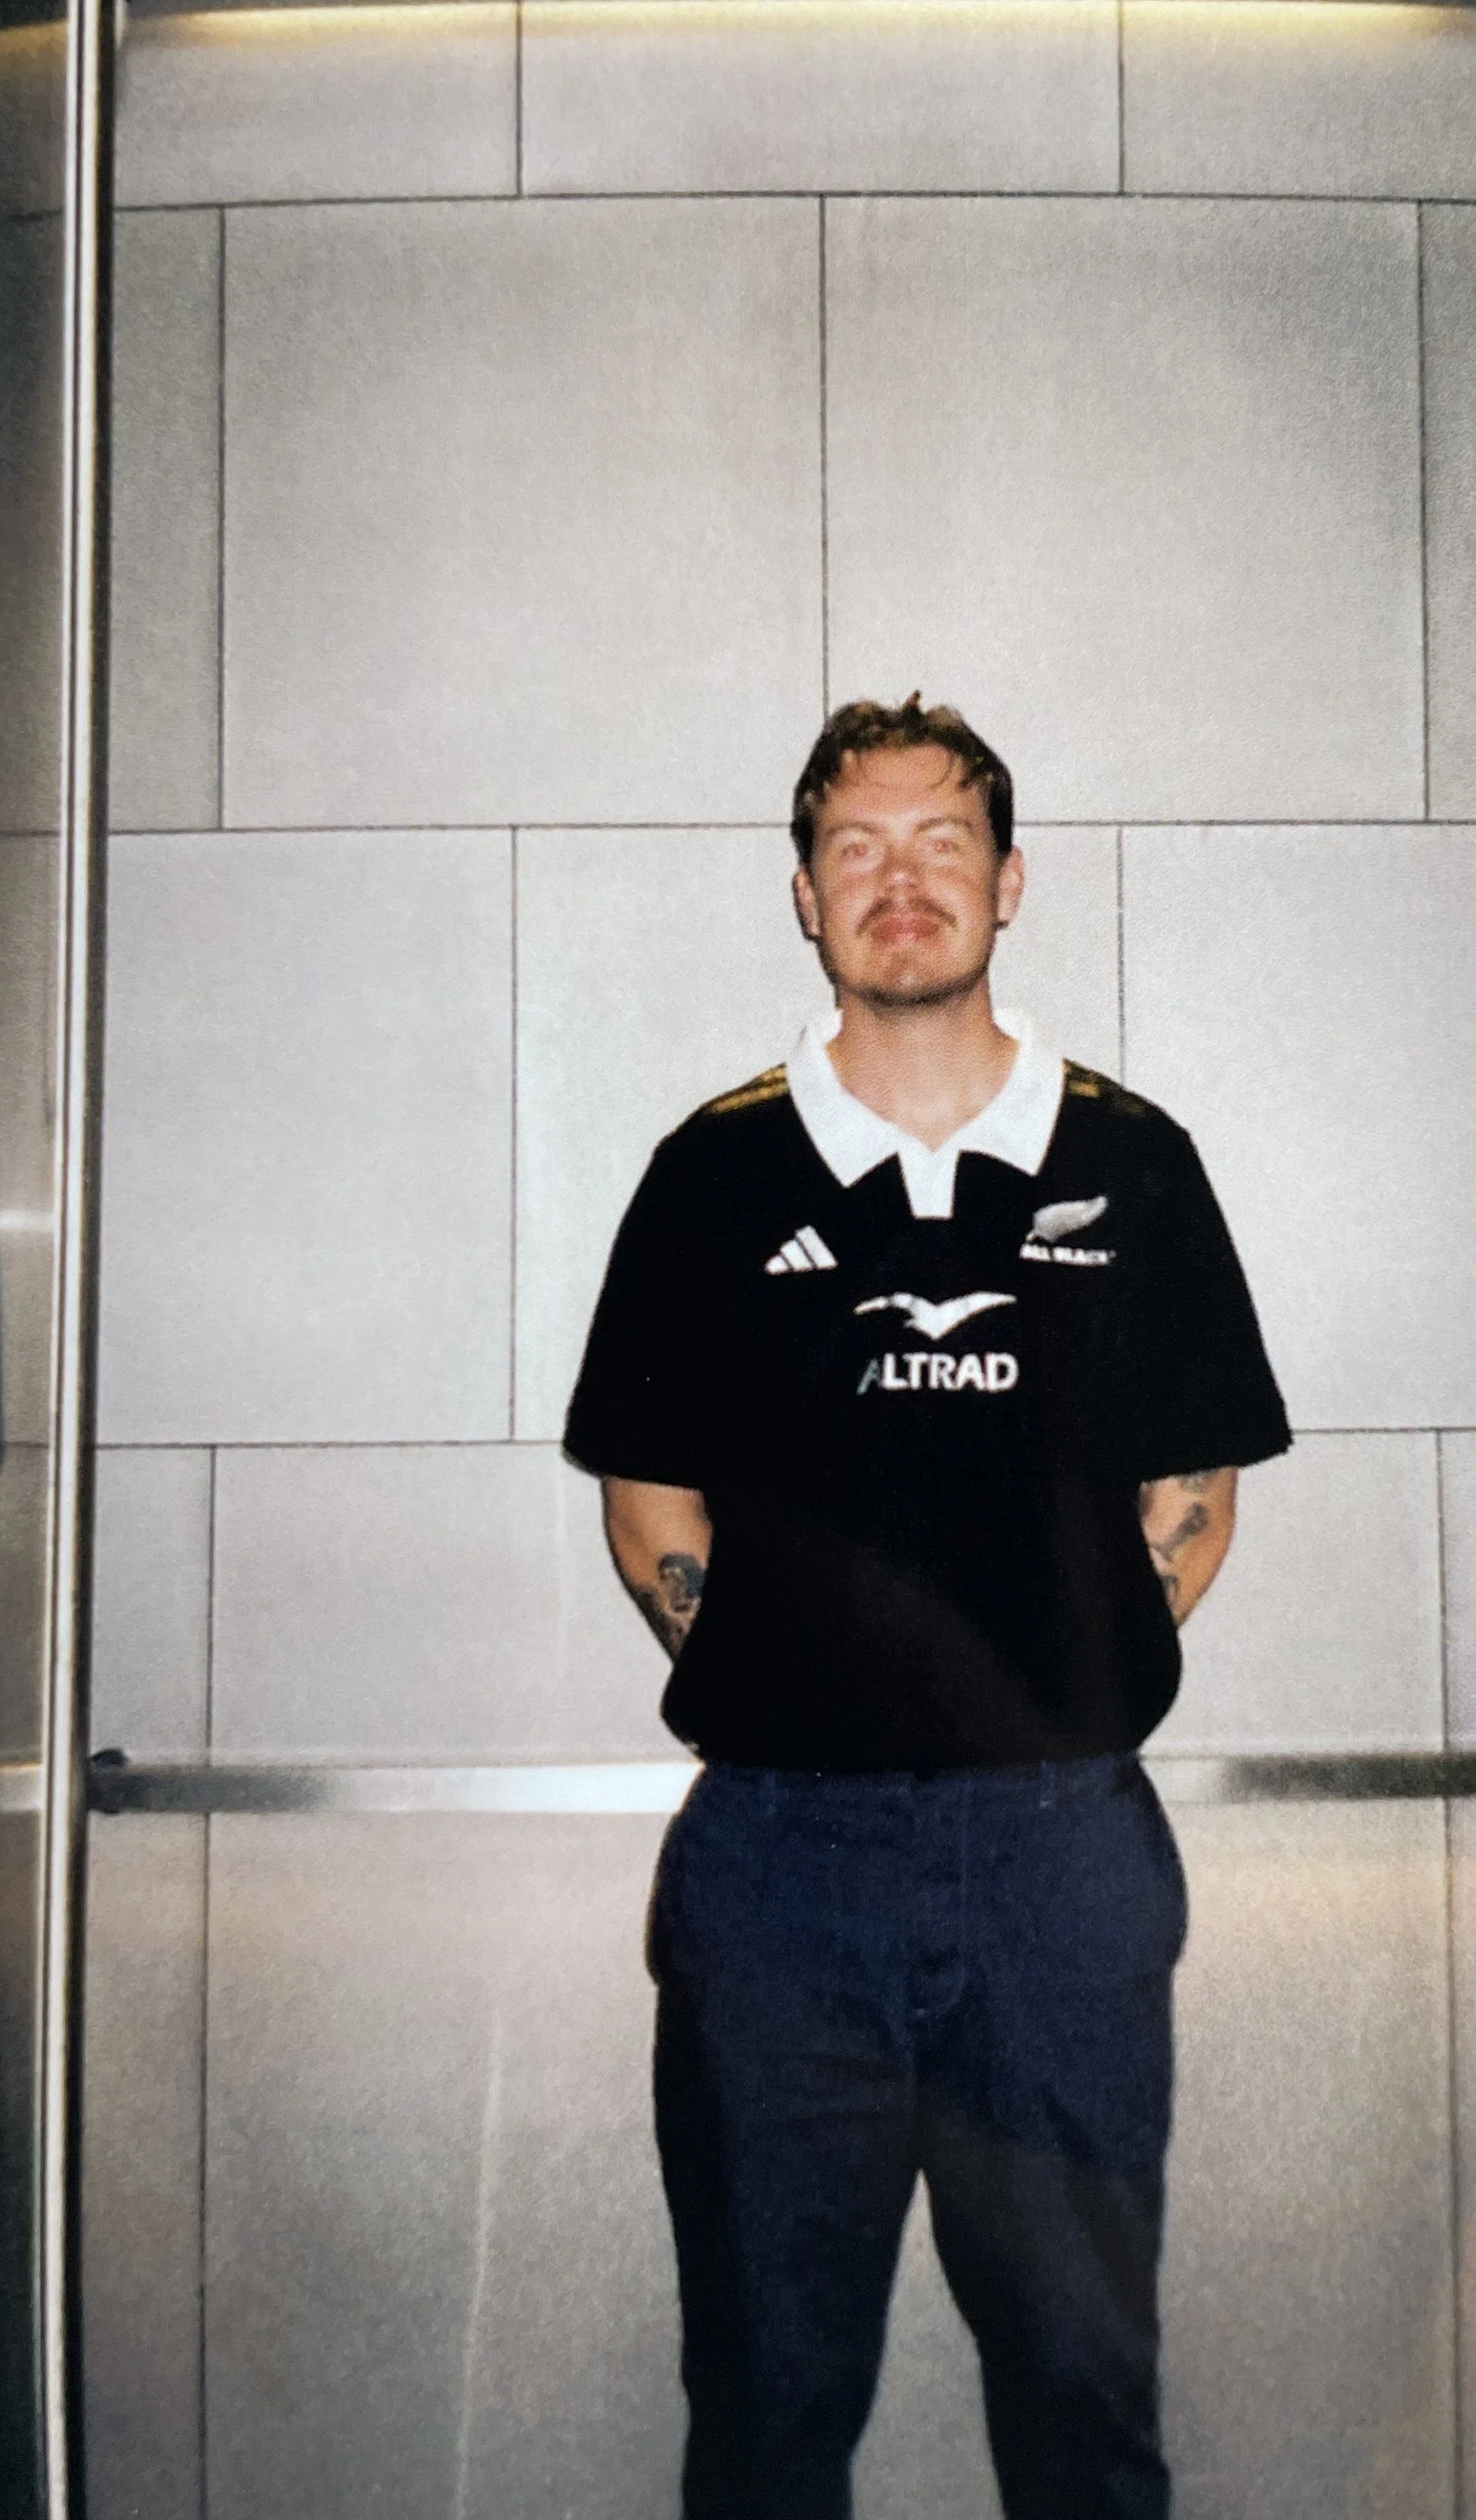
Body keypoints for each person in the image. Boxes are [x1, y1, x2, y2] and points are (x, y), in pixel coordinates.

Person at [564, 696, 1289, 2520]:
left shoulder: (1133, 1166)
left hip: (1062, 1864)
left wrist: (1045, 1680)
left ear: (1010, 881)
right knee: (767, 2412)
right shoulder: (710, 1176)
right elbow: (649, 1495)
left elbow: (1188, 1497)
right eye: (857, 849)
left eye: (941, 842)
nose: (901, 882)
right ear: (803, 897)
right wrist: (783, 1668)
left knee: (1083, 2411)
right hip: (776, 1872)